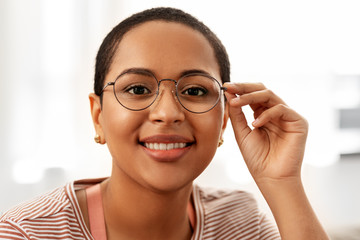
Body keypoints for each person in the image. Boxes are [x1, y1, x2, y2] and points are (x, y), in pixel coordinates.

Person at [0, 7, 329, 240]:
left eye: (196, 90)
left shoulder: (239, 223)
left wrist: (283, 182)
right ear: (98, 116)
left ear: (225, 118)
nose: (168, 113)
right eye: (138, 89)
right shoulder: (26, 232)